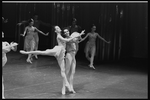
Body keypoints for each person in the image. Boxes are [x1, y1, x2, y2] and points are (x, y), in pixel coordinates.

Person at [20, 26, 85, 95]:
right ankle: (27, 53)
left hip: (62, 54)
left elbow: (76, 40)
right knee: (43, 52)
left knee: (63, 70)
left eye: (59, 28)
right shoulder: (60, 36)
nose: (59, 28)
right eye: (57, 28)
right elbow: (68, 40)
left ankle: (67, 86)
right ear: (56, 31)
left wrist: (79, 36)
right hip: (58, 50)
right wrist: (80, 34)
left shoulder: (64, 36)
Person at [63, 27, 80, 94]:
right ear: (64, 34)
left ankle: (71, 86)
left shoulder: (71, 37)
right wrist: (77, 36)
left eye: (67, 31)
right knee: (67, 71)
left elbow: (78, 40)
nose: (66, 32)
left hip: (73, 55)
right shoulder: (66, 39)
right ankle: (64, 87)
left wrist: (79, 36)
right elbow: (72, 40)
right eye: (65, 32)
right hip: (69, 55)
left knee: (72, 72)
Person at [2, 32, 18, 99]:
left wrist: (14, 45)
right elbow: (3, 49)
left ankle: (2, 96)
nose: (3, 35)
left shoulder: (5, 43)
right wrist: (10, 46)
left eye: (3, 34)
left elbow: (14, 50)